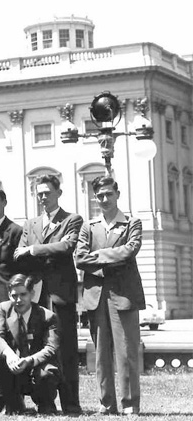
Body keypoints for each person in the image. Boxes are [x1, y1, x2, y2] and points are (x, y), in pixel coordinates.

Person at [14, 173, 83, 414]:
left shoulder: (72, 219)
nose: (43, 197)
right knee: (39, 347)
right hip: (36, 294)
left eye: (47, 193)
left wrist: (33, 249)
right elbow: (18, 254)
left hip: (60, 295)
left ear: (58, 193)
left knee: (65, 349)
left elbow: (66, 247)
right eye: (39, 193)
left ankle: (71, 404)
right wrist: (40, 251)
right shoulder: (30, 223)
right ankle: (45, 402)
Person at [74, 176, 144, 415]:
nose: (104, 199)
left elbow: (129, 251)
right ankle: (106, 404)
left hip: (123, 295)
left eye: (108, 194)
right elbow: (79, 258)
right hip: (96, 296)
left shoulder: (132, 223)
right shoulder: (89, 226)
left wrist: (99, 255)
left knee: (126, 353)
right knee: (101, 355)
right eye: (100, 196)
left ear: (117, 194)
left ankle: (129, 405)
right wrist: (111, 256)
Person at [0, 274, 61, 414]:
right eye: (14, 295)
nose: (18, 300)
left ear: (32, 294)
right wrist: (9, 355)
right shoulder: (3, 309)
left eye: (23, 294)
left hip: (36, 366)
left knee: (48, 372)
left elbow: (51, 347)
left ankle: (45, 404)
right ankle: (12, 404)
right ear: (9, 295)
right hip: (13, 365)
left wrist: (29, 360)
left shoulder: (47, 316)